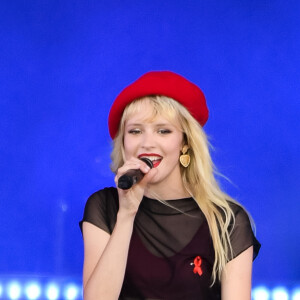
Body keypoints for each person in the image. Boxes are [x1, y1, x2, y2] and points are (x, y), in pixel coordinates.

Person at [79, 71, 261, 300]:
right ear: (123, 143)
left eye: (163, 131)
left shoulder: (226, 221)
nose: (147, 143)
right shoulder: (104, 206)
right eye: (135, 131)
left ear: (185, 142)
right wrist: (126, 213)